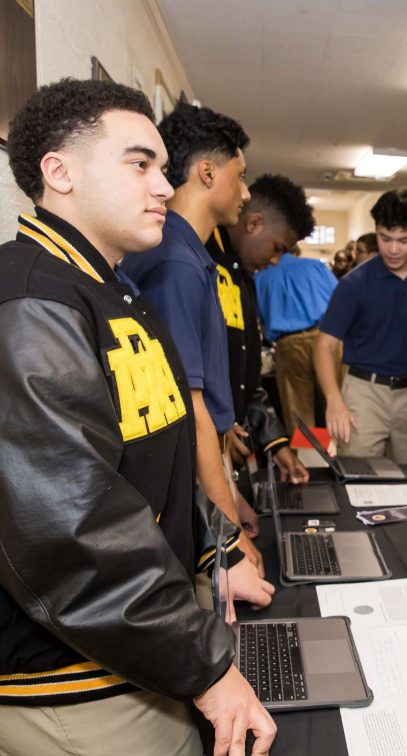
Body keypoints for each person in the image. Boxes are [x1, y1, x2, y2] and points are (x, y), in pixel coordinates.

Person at [0, 77, 275, 756]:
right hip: (78, 676)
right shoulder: (31, 302)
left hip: (144, 641)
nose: (163, 185)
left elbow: (163, 456)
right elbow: (72, 532)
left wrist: (220, 554)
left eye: (162, 166)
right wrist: (207, 668)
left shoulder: (109, 289)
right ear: (58, 172)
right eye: (139, 164)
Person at [120, 101, 266, 566]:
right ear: (207, 172)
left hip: (209, 464)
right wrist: (228, 538)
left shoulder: (191, 255)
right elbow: (190, 407)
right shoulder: (175, 262)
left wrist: (232, 497)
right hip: (186, 474)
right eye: (239, 176)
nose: (245, 194)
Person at [315, 188, 407, 463]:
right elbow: (325, 345)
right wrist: (334, 400)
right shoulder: (353, 283)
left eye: (404, 240)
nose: (393, 249)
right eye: (385, 238)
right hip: (363, 393)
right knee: (358, 477)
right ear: (376, 231)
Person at [206, 173, 315, 489]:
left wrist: (275, 442)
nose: (276, 260)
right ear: (254, 224)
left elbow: (247, 376)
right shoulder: (201, 263)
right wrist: (216, 424)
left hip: (233, 450)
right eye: (277, 247)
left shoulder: (243, 277)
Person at [254, 236, 338, 437]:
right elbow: (340, 301)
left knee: (299, 412)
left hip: (288, 344)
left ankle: (310, 463)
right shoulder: (315, 267)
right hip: (326, 339)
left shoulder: (261, 278)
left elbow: (261, 319)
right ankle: (343, 459)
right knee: (336, 402)